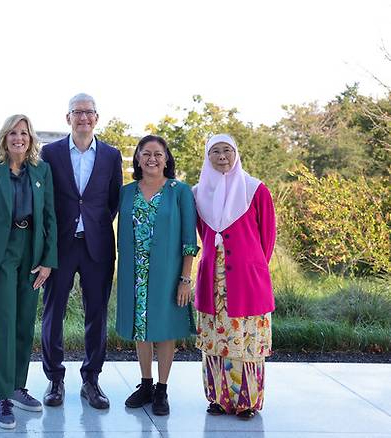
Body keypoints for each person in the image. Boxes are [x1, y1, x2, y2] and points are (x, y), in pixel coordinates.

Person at [0, 114, 57, 429]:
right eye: (13, 133)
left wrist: (49, 260)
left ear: (31, 138)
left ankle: (19, 387)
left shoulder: (41, 170)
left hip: (32, 250)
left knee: (24, 323)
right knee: (4, 323)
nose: (19, 138)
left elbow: (49, 217)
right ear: (5, 138)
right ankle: (3, 395)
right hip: (2, 252)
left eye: (24, 133)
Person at [40, 93, 122, 409]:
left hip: (97, 246)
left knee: (96, 314)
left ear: (96, 118)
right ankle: (55, 379)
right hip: (60, 246)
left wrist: (94, 225)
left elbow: (113, 200)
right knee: (53, 313)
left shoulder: (111, 156)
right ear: (68, 118)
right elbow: (45, 200)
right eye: (78, 112)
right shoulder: (51, 153)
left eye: (89, 112)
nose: (84, 118)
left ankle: (91, 380)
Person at [193, 133, 276, 419]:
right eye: (215, 151)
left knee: (245, 341)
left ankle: (247, 402)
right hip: (212, 281)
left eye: (227, 150)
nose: (222, 156)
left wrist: (252, 267)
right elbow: (199, 236)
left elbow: (268, 237)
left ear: (236, 153)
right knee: (215, 341)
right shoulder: (198, 193)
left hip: (247, 281)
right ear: (207, 157)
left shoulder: (256, 190)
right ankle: (218, 398)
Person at [115, 135, 199, 415]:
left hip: (168, 272)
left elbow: (189, 238)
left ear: (166, 159)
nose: (152, 158)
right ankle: (146, 384)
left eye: (158, 154)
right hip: (133, 271)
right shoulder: (126, 192)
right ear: (137, 158)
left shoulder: (180, 191)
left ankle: (162, 389)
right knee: (141, 327)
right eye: (146, 153)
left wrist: (185, 278)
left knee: (164, 329)